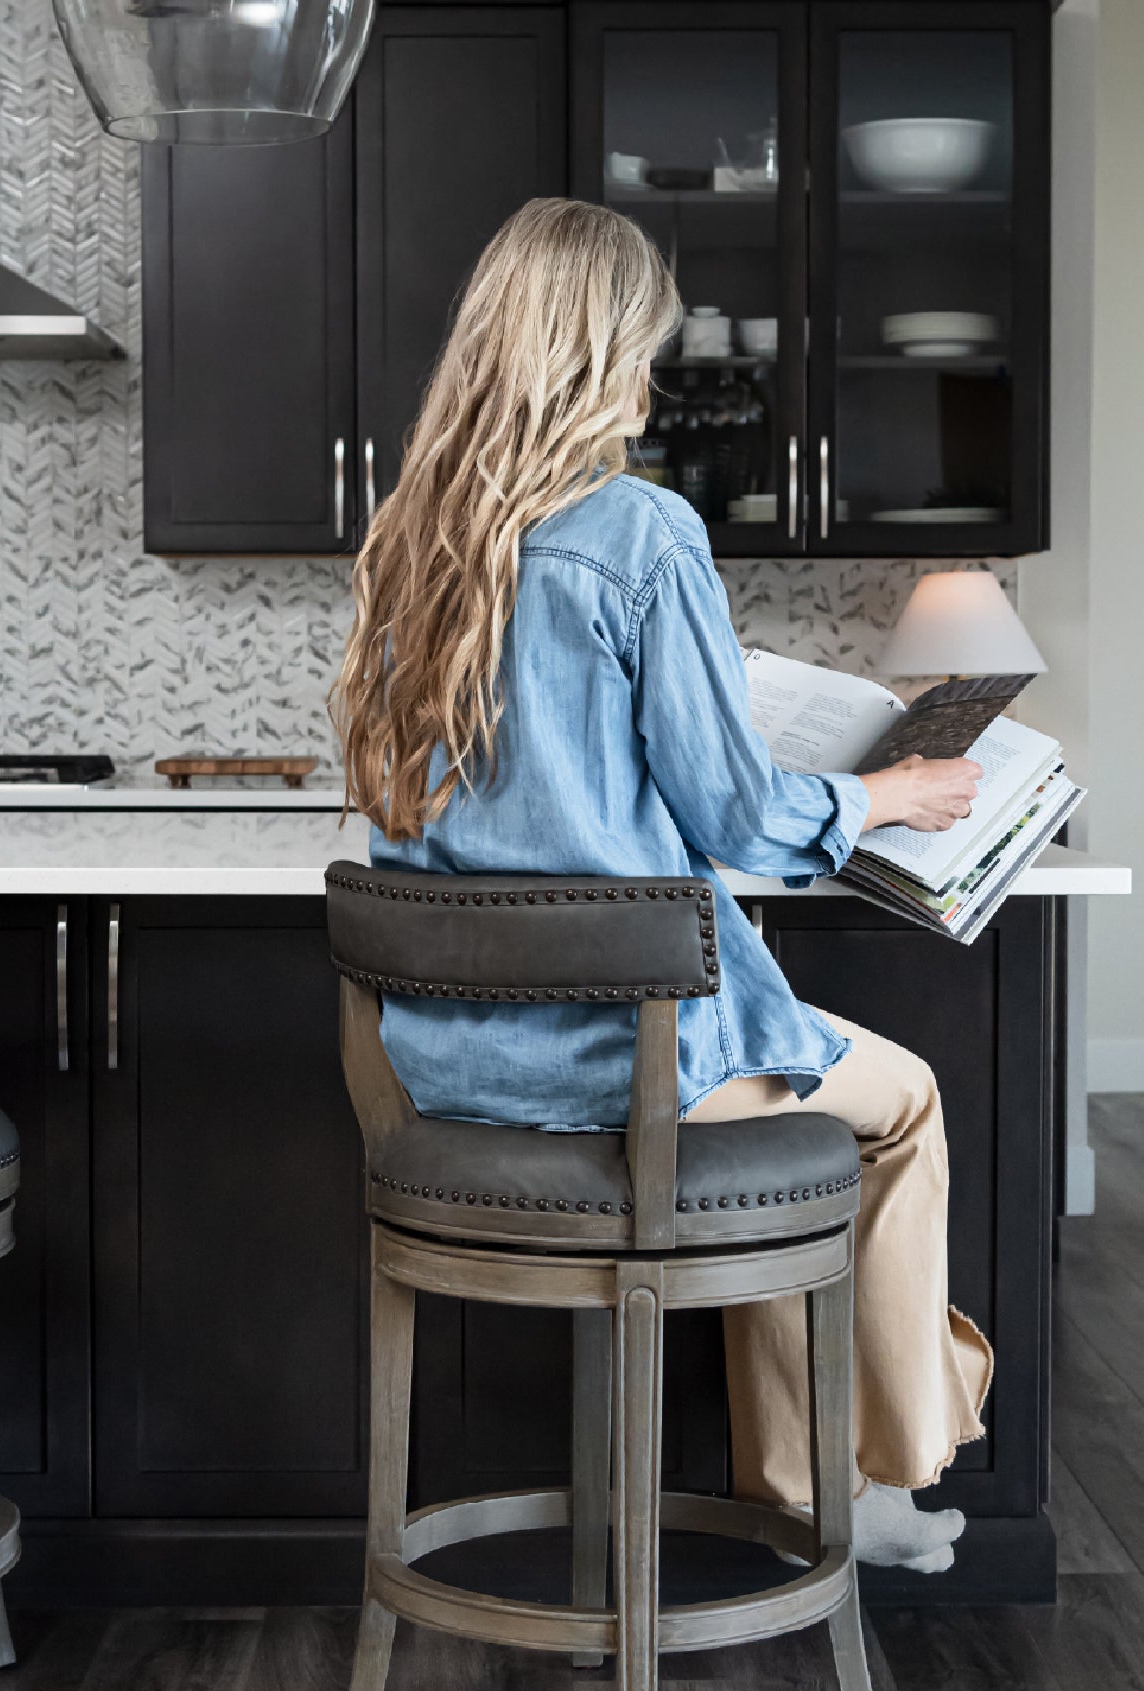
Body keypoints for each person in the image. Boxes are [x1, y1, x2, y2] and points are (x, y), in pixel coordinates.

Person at [328, 198, 992, 1573]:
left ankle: (808, 1475)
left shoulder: (408, 536)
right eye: (643, 348)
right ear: (600, 352)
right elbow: (735, 809)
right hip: (620, 1068)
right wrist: (884, 793)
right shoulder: (639, 535)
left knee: (792, 1106)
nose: (651, 379)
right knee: (898, 1102)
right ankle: (866, 1476)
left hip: (444, 1073)